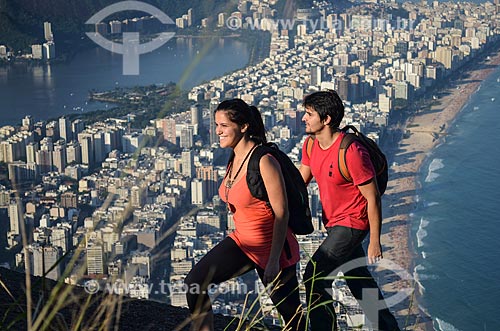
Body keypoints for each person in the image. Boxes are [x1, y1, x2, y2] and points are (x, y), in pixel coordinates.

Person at [185, 99, 304, 331]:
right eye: (216, 124)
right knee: (195, 282)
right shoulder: (234, 157)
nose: (217, 131)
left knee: (292, 320)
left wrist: (272, 262)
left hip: (274, 250)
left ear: (244, 126)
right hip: (243, 242)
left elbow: (282, 213)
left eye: (224, 125)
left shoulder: (264, 161)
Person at [299, 90, 401, 331]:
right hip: (334, 222)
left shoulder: (351, 152)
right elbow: (299, 181)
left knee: (314, 275)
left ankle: (324, 328)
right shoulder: (311, 144)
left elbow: (373, 198)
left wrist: (375, 240)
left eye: (309, 114)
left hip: (354, 222)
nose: (303, 118)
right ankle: (388, 328)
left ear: (326, 119)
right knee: (356, 277)